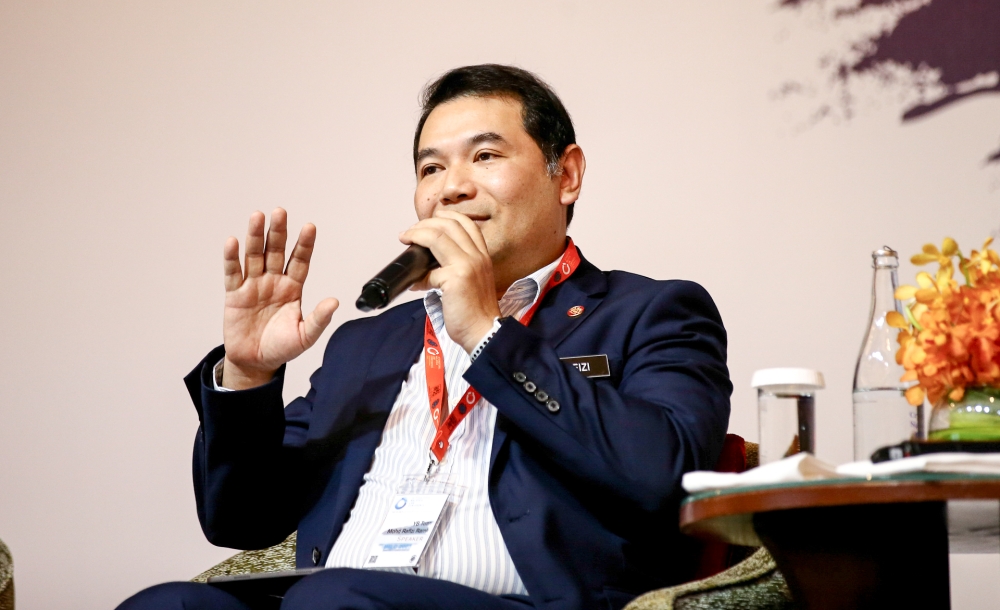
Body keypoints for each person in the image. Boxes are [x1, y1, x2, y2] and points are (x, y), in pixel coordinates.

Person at [118, 64, 732, 610]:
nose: (450, 188)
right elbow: (241, 520)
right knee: (166, 604)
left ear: (566, 175)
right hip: (336, 596)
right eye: (431, 167)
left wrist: (488, 332)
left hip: (521, 601)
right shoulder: (369, 344)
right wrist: (249, 377)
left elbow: (664, 477)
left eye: (485, 157)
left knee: (333, 597)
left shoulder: (652, 312)